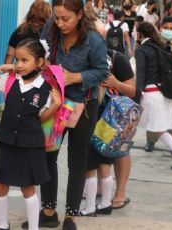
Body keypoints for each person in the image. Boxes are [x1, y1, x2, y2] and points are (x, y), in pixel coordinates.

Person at [22, 0, 108, 229]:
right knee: (48, 157)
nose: (60, 23)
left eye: (66, 19)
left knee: (77, 161)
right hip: (53, 104)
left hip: (83, 107)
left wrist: (76, 77)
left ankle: (71, 216)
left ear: (80, 15)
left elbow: (102, 72)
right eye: (57, 18)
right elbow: (38, 52)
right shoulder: (51, 29)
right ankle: (48, 212)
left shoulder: (94, 40)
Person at [0, 38, 62, 230]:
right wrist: (0, 68)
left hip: (30, 144)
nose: (19, 64)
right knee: (0, 184)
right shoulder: (9, 81)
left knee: (28, 188)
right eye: (17, 60)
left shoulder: (46, 88)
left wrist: (55, 105)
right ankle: (3, 224)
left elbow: (40, 118)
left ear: (39, 62)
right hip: (8, 142)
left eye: (25, 60)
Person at [81, 49, 136, 216]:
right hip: (108, 124)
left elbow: (133, 91)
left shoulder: (117, 59)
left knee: (91, 164)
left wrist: (116, 83)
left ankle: (95, 205)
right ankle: (105, 203)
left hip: (107, 123)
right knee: (105, 162)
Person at [135, 22, 172, 170]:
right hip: (166, 93)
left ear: (140, 34)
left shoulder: (142, 50)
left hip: (151, 93)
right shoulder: (161, 46)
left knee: (153, 127)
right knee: (158, 128)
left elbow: (140, 74)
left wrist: (136, 93)